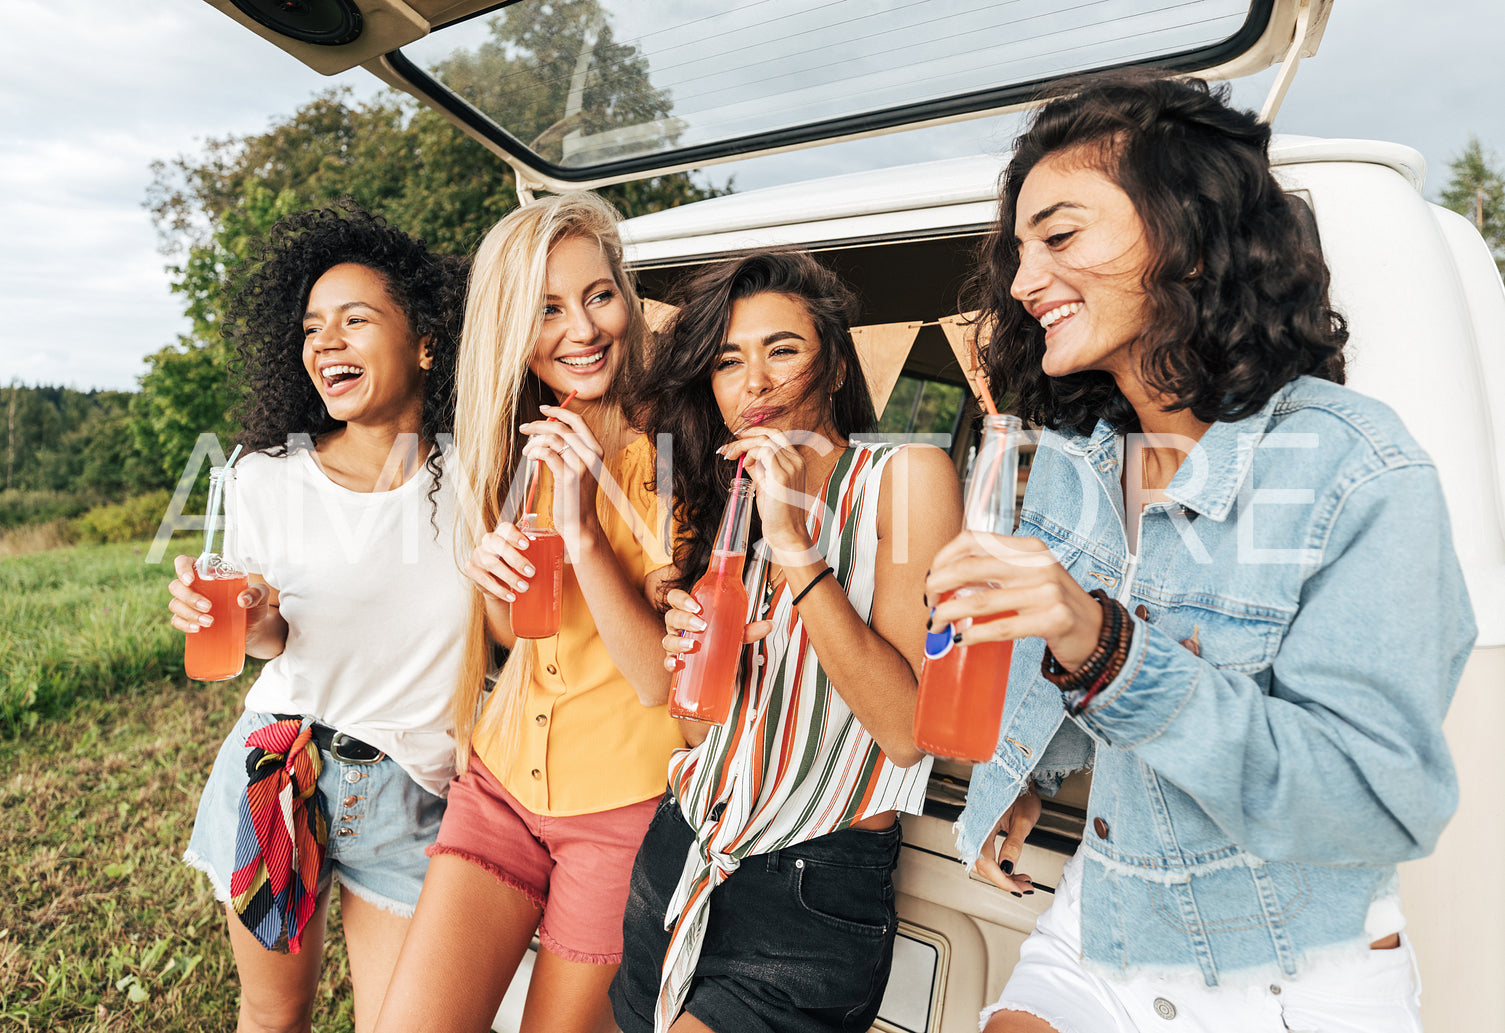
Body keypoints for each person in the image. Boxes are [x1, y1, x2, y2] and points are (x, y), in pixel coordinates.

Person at [926, 73, 1476, 1033]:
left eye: (1057, 237)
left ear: (1186, 232)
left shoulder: (1358, 467)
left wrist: (1108, 646)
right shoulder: (1076, 461)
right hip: (1102, 919)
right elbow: (1056, 675)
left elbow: (1374, 805)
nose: (1019, 284)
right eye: (1017, 251)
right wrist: (1033, 771)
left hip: (1288, 972)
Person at [608, 249, 964, 1033]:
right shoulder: (719, 498)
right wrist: (697, 656)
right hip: (682, 846)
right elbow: (700, 730)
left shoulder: (903, 477)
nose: (753, 382)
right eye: (728, 360)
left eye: (783, 349)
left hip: (809, 885)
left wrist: (795, 543)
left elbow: (906, 733)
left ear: (836, 366)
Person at [373, 191, 683, 1033]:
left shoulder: (674, 447)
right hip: (501, 785)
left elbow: (660, 678)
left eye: (597, 295)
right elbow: (520, 635)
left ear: (625, 294)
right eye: (546, 308)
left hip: (620, 814)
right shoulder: (519, 440)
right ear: (511, 324)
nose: (580, 329)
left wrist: (582, 528)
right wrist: (489, 576)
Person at [169, 201, 469, 1033]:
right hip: (278, 769)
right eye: (311, 328)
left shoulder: (481, 472)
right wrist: (246, 614)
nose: (324, 342)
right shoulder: (264, 475)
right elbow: (269, 639)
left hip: (411, 791)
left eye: (354, 320)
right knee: (273, 1018)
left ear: (426, 342)